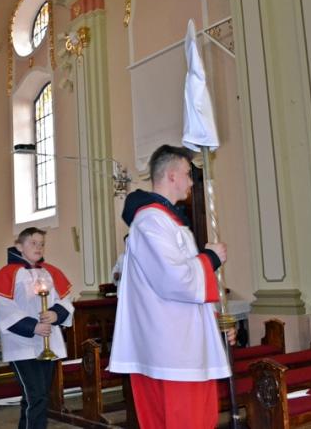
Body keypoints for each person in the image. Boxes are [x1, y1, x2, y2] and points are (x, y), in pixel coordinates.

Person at [108, 144, 235, 429]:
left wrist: (215, 322)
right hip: (172, 353)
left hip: (180, 346)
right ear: (172, 176)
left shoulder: (167, 221)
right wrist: (211, 258)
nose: (191, 182)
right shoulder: (151, 221)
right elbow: (173, 279)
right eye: (188, 174)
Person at [0, 227, 74, 429]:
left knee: (40, 395)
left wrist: (56, 314)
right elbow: (2, 307)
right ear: (19, 246)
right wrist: (33, 326)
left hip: (48, 341)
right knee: (36, 396)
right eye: (33, 243)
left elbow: (64, 300)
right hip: (22, 344)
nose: (38, 247)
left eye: (42, 244)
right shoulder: (7, 274)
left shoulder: (50, 272)